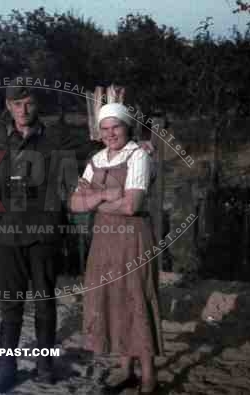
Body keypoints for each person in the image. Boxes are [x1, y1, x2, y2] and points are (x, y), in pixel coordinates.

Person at [0, 79, 76, 393]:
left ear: (37, 105)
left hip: (45, 229)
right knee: (10, 303)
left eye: (29, 103)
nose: (23, 109)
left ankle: (44, 363)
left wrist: (140, 142)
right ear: (8, 105)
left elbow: (94, 147)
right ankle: (6, 366)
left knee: (45, 302)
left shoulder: (55, 136)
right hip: (8, 231)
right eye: (16, 103)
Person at [69, 103, 164, 393]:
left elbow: (132, 205)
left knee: (136, 297)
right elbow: (74, 204)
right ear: (99, 132)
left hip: (132, 236)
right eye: (105, 128)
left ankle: (148, 375)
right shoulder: (96, 159)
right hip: (103, 238)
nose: (111, 133)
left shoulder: (139, 155)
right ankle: (126, 370)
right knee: (114, 299)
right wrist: (108, 195)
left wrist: (94, 199)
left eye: (117, 127)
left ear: (127, 127)